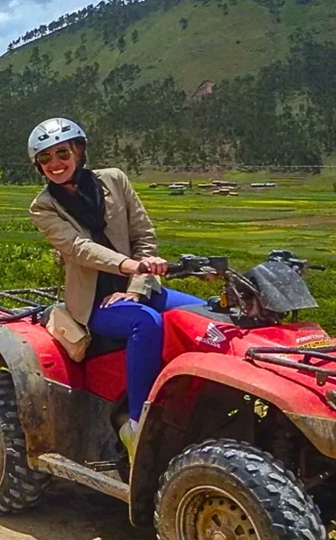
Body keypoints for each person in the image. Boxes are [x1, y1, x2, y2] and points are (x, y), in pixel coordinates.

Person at [26, 117, 204, 461]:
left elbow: (144, 236)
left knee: (203, 317)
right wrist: (129, 265)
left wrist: (136, 287)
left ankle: (198, 400)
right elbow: (77, 247)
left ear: (79, 151)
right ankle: (137, 426)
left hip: (139, 288)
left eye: (61, 153)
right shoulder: (43, 207)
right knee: (145, 323)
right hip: (93, 302)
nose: (55, 164)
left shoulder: (115, 180)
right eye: (44, 159)